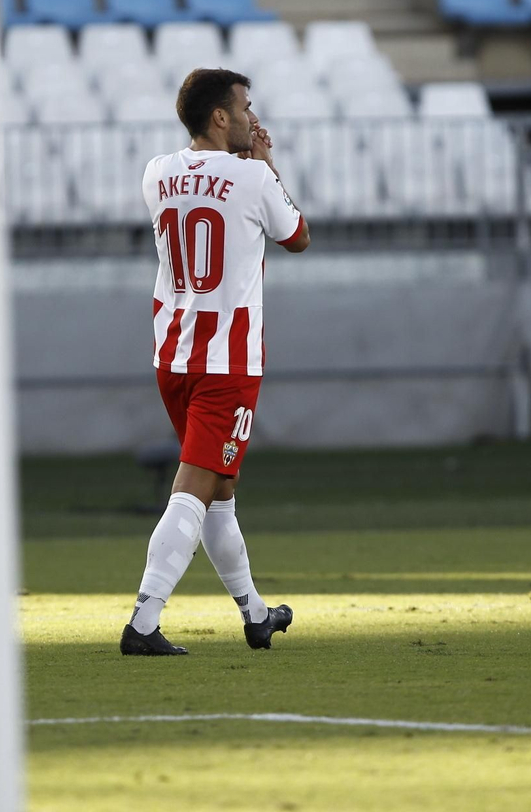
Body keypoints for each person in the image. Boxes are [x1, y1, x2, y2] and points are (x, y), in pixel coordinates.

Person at [120, 68, 310, 657]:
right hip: (228, 362)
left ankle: (255, 615)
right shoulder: (252, 176)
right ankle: (143, 622)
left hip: (172, 353)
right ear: (221, 117)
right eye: (245, 108)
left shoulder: (157, 173)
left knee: (220, 487)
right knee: (195, 487)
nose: (254, 118)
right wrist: (266, 164)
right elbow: (297, 236)